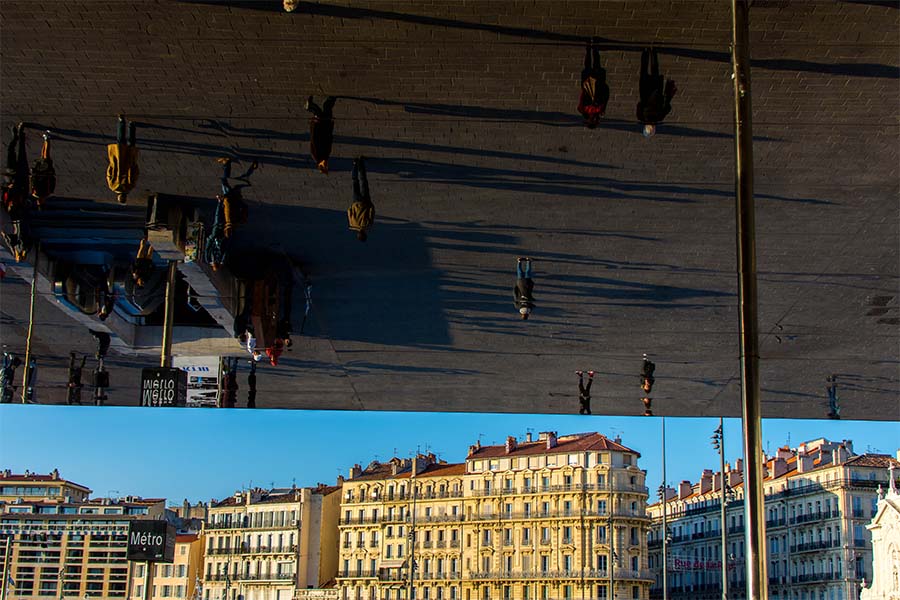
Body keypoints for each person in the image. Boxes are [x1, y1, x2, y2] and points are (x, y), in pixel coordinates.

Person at [636, 47, 677, 137]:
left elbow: (667, 107)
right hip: (649, 92)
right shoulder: (642, 118)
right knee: (650, 70)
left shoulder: (657, 118)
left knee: (649, 70)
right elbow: (639, 105)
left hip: (650, 92)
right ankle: (648, 52)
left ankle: (650, 52)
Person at [216, 157, 256, 238]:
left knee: (240, 181)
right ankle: (227, 163)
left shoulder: (238, 223)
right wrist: (223, 199)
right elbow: (227, 206)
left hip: (237, 198)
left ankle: (252, 168)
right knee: (224, 181)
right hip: (229, 196)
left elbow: (245, 210)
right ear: (225, 229)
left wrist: (241, 202)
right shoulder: (229, 220)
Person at [106, 115, 140, 204]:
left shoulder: (130, 186)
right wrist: (112, 164)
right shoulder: (112, 186)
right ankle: (121, 122)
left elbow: (136, 174)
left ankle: (131, 125)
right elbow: (109, 173)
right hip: (118, 161)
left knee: (131, 143)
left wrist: (135, 165)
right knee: (120, 141)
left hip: (129, 162)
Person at [577, 39, 610, 129]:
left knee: (587, 66)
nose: (593, 120)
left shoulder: (583, 111)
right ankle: (595, 48)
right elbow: (605, 99)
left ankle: (588, 49)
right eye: (594, 121)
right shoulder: (600, 111)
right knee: (597, 65)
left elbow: (581, 99)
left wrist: (584, 89)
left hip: (587, 87)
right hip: (598, 84)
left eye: (590, 121)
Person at [306, 96, 336, 174]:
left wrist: (315, 124)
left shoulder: (316, 155)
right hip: (326, 127)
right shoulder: (326, 157)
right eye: (327, 166)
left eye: (324, 166)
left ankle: (310, 106)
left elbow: (314, 138)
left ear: (320, 165)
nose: (326, 165)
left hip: (320, 126)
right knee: (327, 110)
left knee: (319, 112)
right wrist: (331, 125)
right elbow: (329, 139)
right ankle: (330, 100)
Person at [348, 157, 375, 241]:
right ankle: (355, 164)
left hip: (365, 201)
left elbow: (371, 211)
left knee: (363, 181)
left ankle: (361, 163)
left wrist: (370, 204)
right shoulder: (352, 224)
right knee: (355, 181)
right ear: (358, 234)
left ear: (365, 234)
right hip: (356, 201)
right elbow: (349, 211)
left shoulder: (368, 225)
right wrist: (353, 206)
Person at [30, 131, 56, 208]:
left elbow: (33, 183)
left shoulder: (46, 193)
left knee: (45, 156)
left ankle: (47, 139)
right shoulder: (37, 194)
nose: (39, 201)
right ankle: (45, 140)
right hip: (41, 172)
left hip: (44, 172)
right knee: (44, 156)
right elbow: (32, 182)